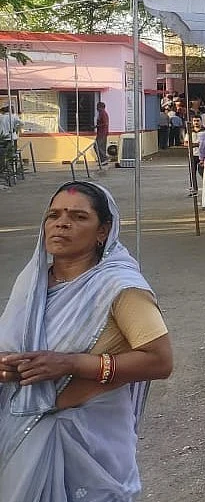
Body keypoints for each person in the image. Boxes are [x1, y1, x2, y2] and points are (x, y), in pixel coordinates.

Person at [0, 181, 173, 498]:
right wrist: (8, 368)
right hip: (23, 431)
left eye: (78, 217)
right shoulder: (32, 284)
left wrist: (71, 364)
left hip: (89, 440)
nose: (61, 223)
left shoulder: (120, 287)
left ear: (103, 231)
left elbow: (160, 360)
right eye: (54, 215)